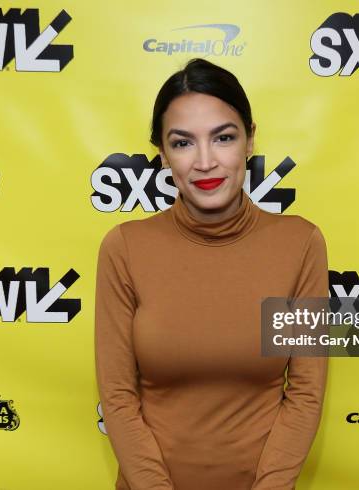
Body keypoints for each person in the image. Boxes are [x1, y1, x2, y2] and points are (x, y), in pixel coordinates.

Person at [94, 57, 329, 490]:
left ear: (250, 140)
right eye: (183, 143)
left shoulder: (300, 244)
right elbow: (117, 397)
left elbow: (306, 393)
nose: (205, 161)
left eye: (223, 137)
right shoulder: (125, 248)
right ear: (162, 155)